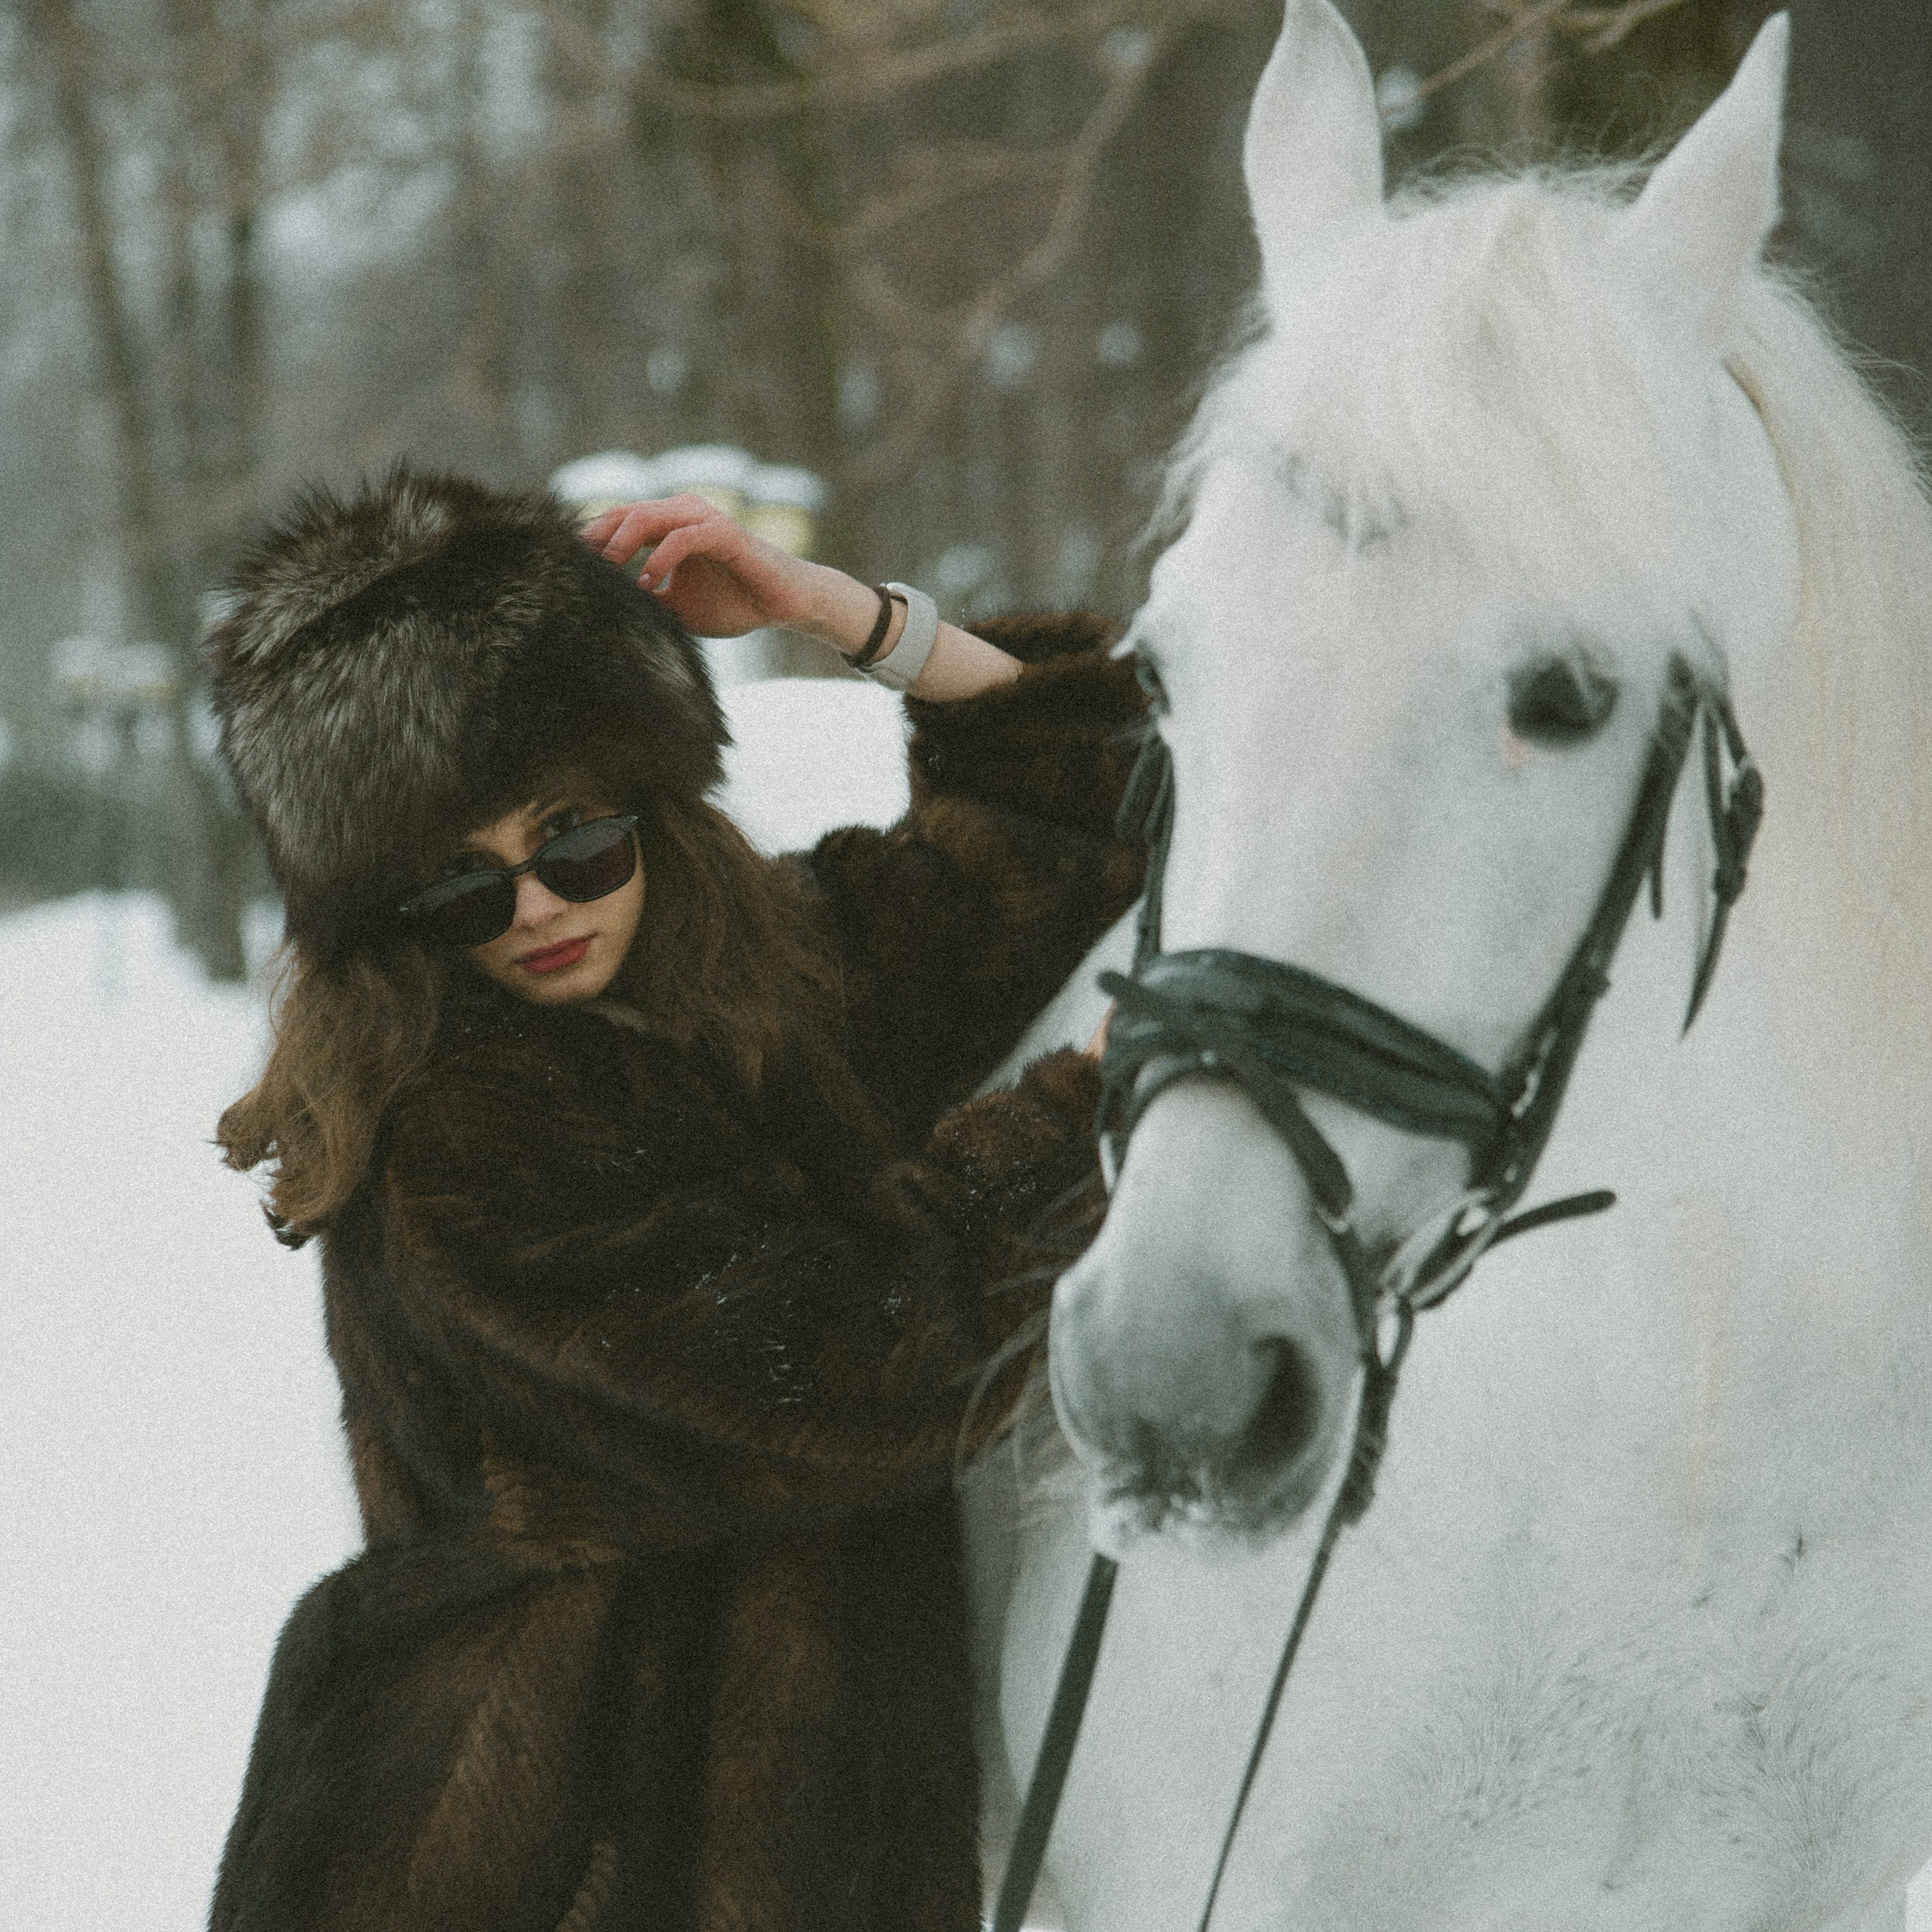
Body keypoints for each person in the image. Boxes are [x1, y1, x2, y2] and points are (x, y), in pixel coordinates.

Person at [204, 467, 1146, 1932]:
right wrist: (1079, 1120)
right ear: (387, 917)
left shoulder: (768, 984)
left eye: (574, 837)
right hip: (550, 1864)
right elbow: (863, 1363)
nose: (538, 906)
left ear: (648, 805)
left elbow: (1072, 806)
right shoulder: (458, 1141)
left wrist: (833, 610)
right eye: (461, 885)